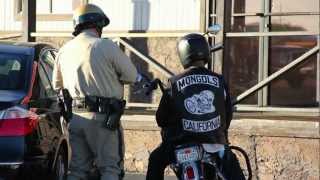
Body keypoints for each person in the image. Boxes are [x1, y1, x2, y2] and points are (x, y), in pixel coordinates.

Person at [52, 4, 138, 180]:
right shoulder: (106, 46)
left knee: (77, 170)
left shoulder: (64, 50)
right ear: (97, 25)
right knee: (110, 169)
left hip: (75, 118)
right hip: (103, 120)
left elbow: (56, 84)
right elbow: (131, 76)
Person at [146, 33, 245, 180]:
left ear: (183, 54)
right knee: (234, 173)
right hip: (214, 143)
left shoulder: (174, 82)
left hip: (180, 143)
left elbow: (161, 118)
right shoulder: (219, 81)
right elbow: (227, 115)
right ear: (205, 52)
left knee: (155, 160)